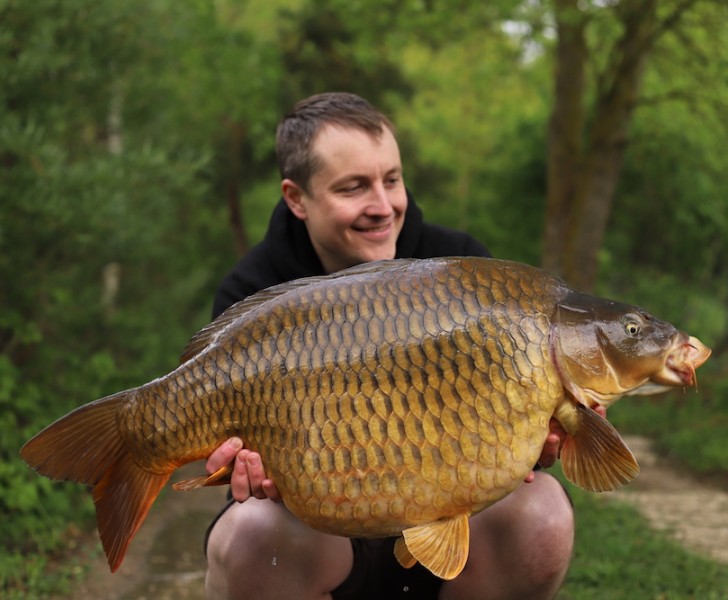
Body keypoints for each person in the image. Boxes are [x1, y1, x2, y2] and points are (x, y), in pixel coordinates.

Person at [203, 92, 578, 600]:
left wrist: (538, 437)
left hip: (448, 536)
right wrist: (248, 468)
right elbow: (239, 462)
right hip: (316, 534)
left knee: (545, 515)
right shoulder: (252, 290)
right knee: (249, 534)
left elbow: (514, 428)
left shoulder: (466, 268)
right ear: (296, 198)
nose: (383, 207)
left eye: (392, 179)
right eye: (354, 187)